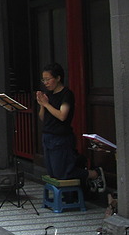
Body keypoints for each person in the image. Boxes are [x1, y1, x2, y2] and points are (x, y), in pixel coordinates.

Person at [36, 62, 105, 192]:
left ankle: (94, 174)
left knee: (64, 173)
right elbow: (42, 118)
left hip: (61, 137)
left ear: (58, 78)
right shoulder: (48, 95)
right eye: (43, 80)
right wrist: (41, 104)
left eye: (48, 79)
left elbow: (62, 115)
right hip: (47, 135)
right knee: (53, 172)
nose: (45, 83)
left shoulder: (66, 94)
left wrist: (47, 104)